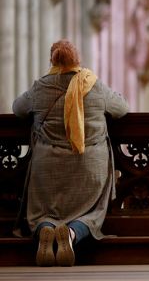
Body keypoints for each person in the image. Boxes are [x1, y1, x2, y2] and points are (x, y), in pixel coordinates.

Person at [12, 40, 129, 266]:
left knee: (41, 212)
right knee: (93, 211)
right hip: (89, 168)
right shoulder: (93, 85)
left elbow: (17, 108)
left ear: (52, 60)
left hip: (48, 169)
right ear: (77, 60)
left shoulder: (41, 87)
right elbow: (122, 108)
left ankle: (46, 229)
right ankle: (72, 234)